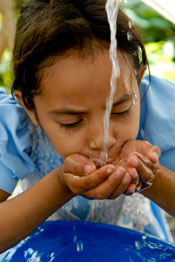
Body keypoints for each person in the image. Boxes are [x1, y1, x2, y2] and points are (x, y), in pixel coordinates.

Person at [0, 0, 175, 253]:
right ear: (29, 106)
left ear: (138, 84)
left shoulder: (153, 110)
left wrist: (150, 175)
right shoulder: (15, 128)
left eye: (120, 110)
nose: (103, 139)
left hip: (138, 249)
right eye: (71, 122)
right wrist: (60, 185)